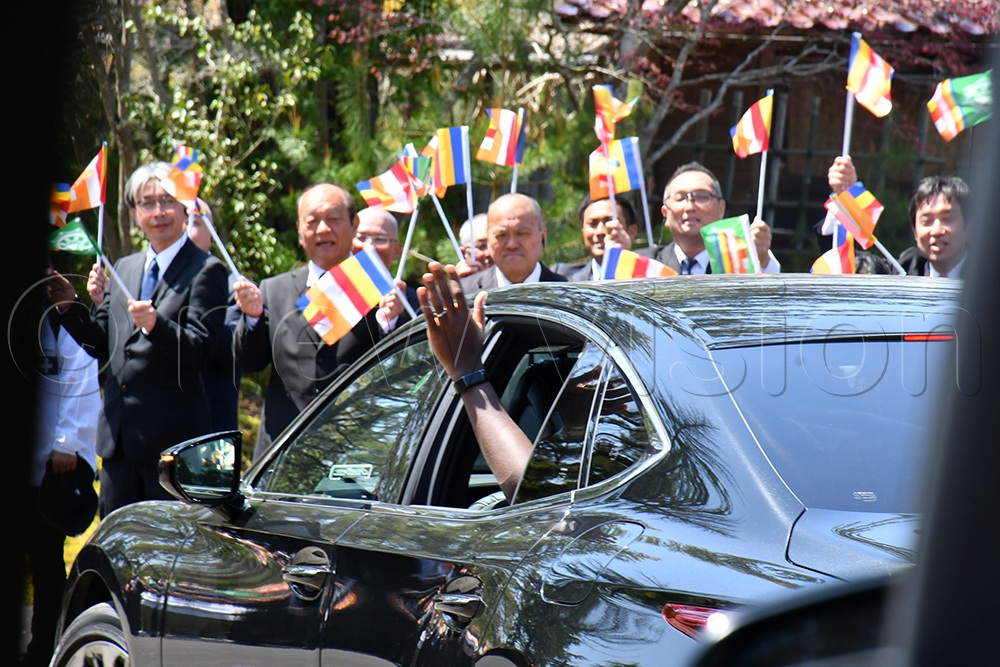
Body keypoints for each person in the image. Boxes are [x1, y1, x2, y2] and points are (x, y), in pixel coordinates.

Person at [45, 161, 230, 517]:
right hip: (119, 446)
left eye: (167, 201)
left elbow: (201, 352)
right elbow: (101, 345)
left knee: (170, 556)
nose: (158, 211)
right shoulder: (124, 266)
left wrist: (157, 325)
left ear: (183, 209)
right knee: (117, 553)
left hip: (172, 449)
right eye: (148, 203)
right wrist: (71, 307)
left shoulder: (207, 270)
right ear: (134, 212)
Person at [233, 184, 408, 460]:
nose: (323, 229)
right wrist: (252, 318)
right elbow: (250, 363)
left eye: (334, 219)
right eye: (312, 221)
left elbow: (404, 372)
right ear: (300, 232)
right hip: (281, 453)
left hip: (357, 455)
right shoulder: (273, 290)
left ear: (354, 225)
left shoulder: (384, 289)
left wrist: (390, 322)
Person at [20, 294, 100, 667]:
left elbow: (80, 375)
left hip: (44, 471)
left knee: (47, 564)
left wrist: (68, 441)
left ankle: (43, 650)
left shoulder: (52, 320)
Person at [638, 162, 780, 274]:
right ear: (665, 213)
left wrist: (762, 261)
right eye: (680, 198)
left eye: (701, 197)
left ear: (721, 209)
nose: (690, 207)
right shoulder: (644, 265)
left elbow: (774, 301)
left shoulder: (740, 264)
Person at [187, 199, 242, 431]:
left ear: (213, 233)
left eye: (195, 222)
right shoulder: (149, 281)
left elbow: (232, 347)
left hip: (212, 425)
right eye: (182, 220)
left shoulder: (235, 287)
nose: (187, 230)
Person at [460, 193, 567, 295]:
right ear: (488, 240)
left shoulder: (568, 294)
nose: (512, 245)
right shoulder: (463, 295)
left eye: (522, 234)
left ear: (542, 237)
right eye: (502, 235)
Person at [553, 194, 639, 281]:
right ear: (583, 232)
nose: (600, 231)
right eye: (592, 224)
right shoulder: (564, 280)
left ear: (631, 232)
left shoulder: (650, 274)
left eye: (609, 221)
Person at [354, 206, 419, 317]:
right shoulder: (329, 290)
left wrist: (390, 321)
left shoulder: (413, 303)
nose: (369, 247)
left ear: (397, 251)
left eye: (380, 239)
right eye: (361, 237)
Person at [899, 176, 970, 278]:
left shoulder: (990, 277)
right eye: (927, 221)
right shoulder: (904, 271)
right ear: (915, 232)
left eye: (947, 219)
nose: (936, 231)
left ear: (969, 228)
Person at [455, 213, 492, 277]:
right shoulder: (461, 284)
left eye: (495, 244)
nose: (489, 253)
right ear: (463, 253)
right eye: (482, 246)